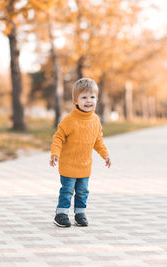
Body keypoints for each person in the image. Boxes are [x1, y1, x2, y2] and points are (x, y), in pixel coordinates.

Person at [50, 78, 111, 227]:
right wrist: (55, 153)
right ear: (75, 100)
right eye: (84, 97)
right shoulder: (70, 120)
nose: (88, 101)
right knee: (67, 190)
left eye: (92, 97)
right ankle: (61, 214)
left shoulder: (95, 120)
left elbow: (98, 141)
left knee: (83, 191)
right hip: (69, 165)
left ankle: (80, 213)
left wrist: (105, 154)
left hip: (85, 166)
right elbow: (58, 137)